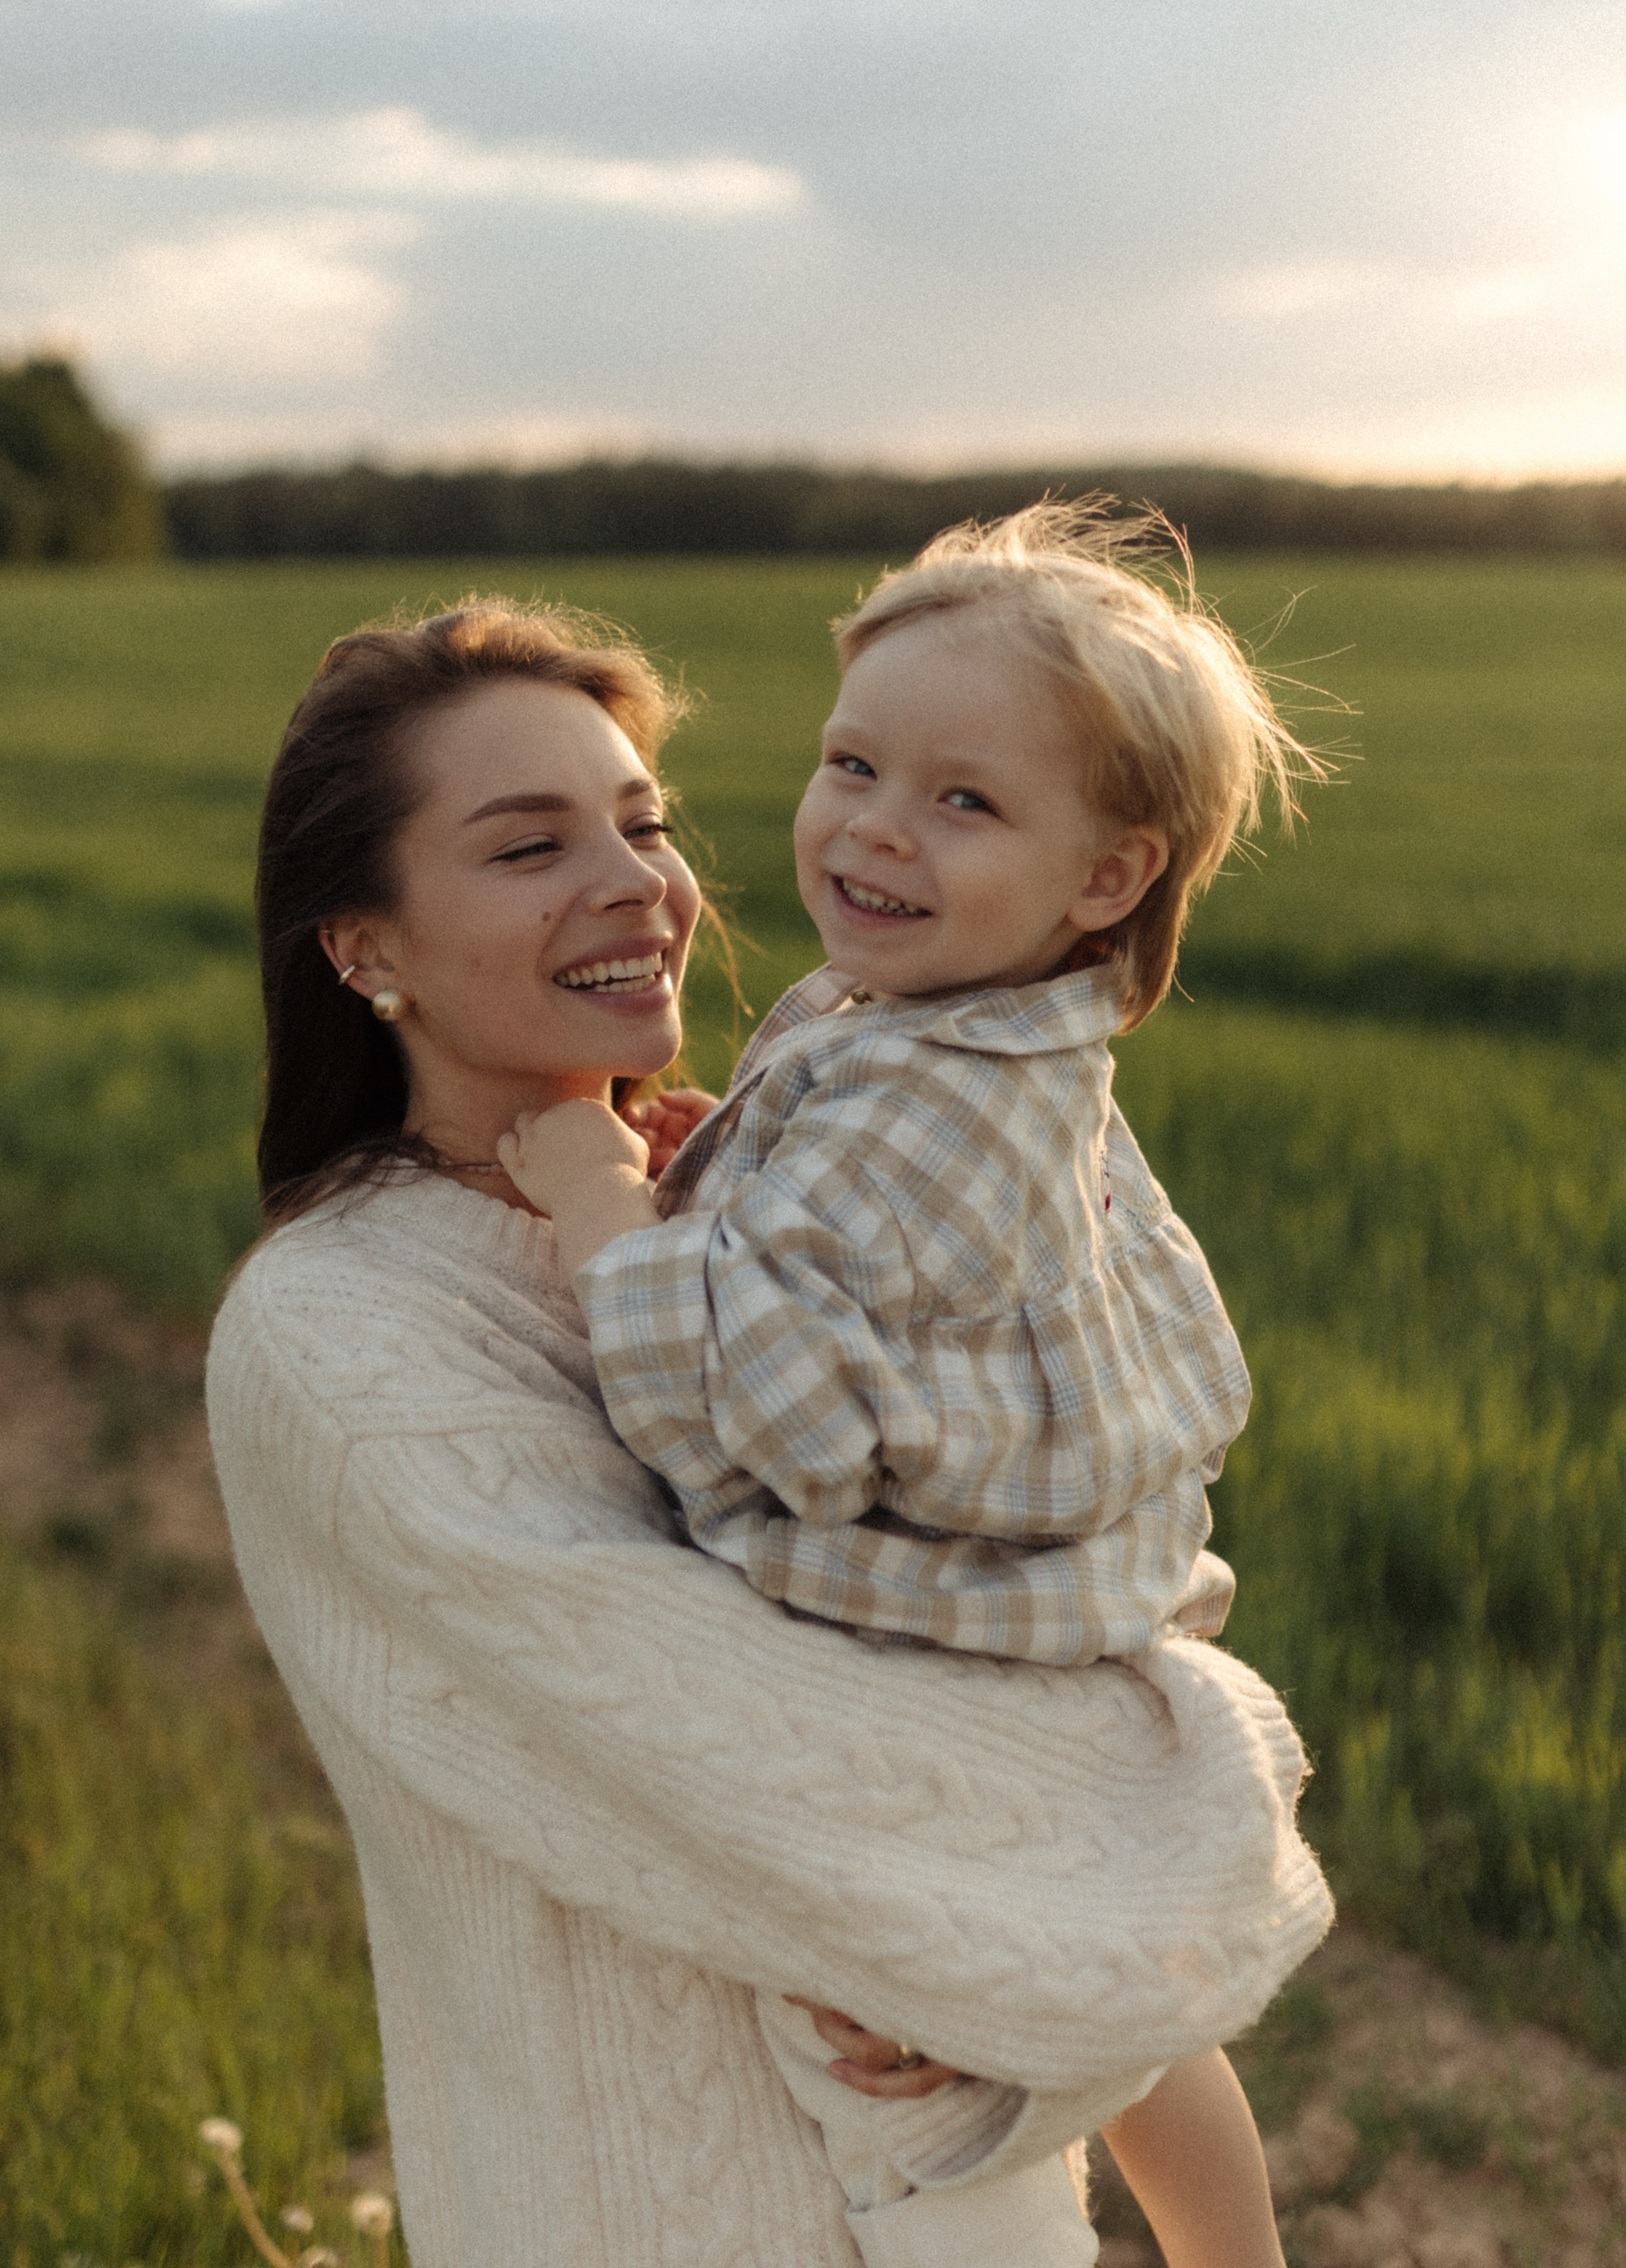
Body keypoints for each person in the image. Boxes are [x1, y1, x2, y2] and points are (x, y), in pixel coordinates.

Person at [207, 590, 1332, 2268]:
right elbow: (787, 1760)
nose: (636, 888)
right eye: (529, 849)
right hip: (654, 2209)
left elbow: (1023, 1566)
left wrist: (1031, 1946)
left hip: (954, 2168)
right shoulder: (347, 1335)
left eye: (640, 821)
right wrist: (1029, 1927)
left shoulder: (749, 1201)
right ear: (365, 947)